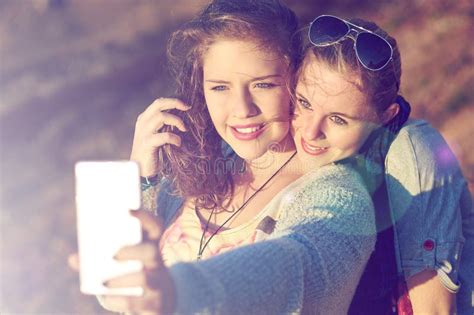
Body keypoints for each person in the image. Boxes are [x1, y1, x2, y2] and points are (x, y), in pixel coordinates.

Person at [83, 1, 377, 314]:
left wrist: (180, 291)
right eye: (220, 87)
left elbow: (291, 265)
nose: (242, 109)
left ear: (296, 79)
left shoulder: (339, 197)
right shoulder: (200, 164)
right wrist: (140, 177)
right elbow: (112, 290)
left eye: (263, 84)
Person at [297, 15, 473, 314]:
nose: (310, 132)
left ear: (385, 116)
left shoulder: (414, 152)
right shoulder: (305, 145)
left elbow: (434, 311)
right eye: (304, 103)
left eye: (338, 119)